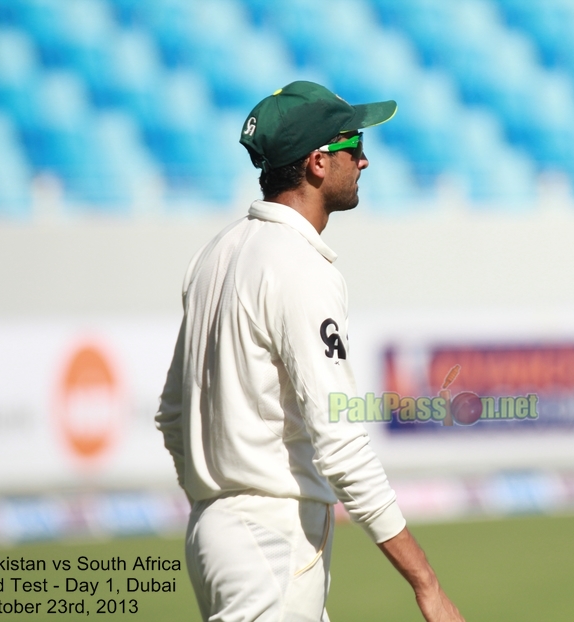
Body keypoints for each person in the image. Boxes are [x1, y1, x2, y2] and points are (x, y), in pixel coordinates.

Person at [155, 81, 465, 622]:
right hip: (271, 545)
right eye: (354, 147)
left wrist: (218, 500)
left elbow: (172, 416)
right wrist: (427, 583)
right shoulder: (298, 266)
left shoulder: (212, 256)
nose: (364, 161)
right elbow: (340, 440)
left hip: (215, 536)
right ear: (319, 163)